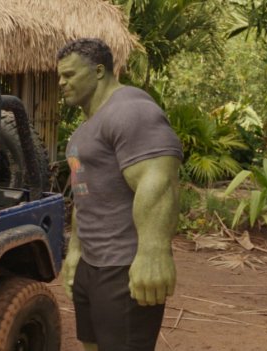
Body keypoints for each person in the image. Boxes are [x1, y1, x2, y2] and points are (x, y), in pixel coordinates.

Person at [57, 38, 183, 351]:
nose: (61, 83)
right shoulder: (85, 128)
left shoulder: (131, 109)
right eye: (60, 76)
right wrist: (75, 251)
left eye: (69, 75)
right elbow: (85, 193)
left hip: (123, 267)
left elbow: (158, 179)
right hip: (92, 263)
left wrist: (154, 251)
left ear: (99, 71)